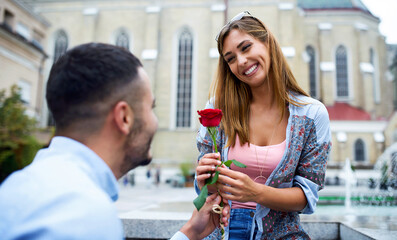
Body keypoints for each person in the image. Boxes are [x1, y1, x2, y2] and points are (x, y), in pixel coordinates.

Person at [0, 43, 229, 240]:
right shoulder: (83, 213)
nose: (155, 121)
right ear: (124, 117)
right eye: (151, 108)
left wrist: (188, 233)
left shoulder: (18, 187)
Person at [195, 11, 332, 239]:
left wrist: (256, 192)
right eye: (230, 58)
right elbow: (204, 192)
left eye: (246, 47)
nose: (241, 62)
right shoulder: (218, 110)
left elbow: (307, 198)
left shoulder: (311, 115)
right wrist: (205, 180)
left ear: (267, 42)